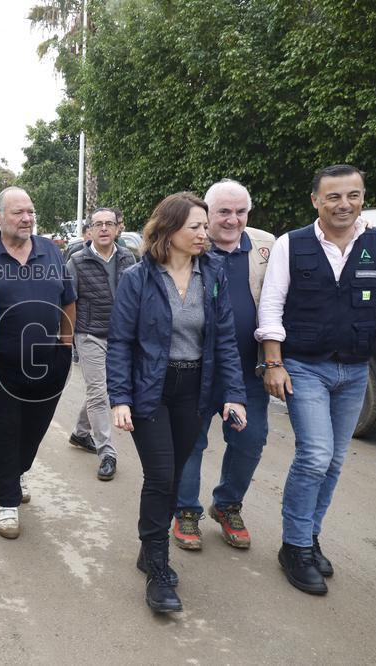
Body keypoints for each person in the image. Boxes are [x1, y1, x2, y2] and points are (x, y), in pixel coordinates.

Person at [257, 164, 376, 595]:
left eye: (353, 195)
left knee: (335, 462)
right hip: (304, 366)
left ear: (362, 197)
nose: (345, 205)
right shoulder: (291, 245)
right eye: (334, 197)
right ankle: (295, 546)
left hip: (354, 369)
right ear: (316, 200)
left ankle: (309, 536)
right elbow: (271, 305)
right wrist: (274, 363)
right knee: (316, 455)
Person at [108, 192, 247, 613]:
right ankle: (158, 570)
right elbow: (120, 343)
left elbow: (224, 340)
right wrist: (120, 398)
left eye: (206, 226)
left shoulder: (214, 274)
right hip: (152, 389)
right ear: (168, 231)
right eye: (196, 227)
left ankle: (147, 548)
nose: (205, 234)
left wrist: (234, 396)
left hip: (195, 391)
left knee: (174, 475)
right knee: (161, 475)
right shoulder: (138, 278)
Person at [172, 180, 275, 551]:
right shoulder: (189, 245)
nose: (233, 220)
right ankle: (186, 511)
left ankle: (228, 504)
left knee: (250, 439)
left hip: (248, 370)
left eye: (241, 212)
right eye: (224, 212)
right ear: (207, 214)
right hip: (195, 368)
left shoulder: (268, 246)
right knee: (190, 442)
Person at [0, 187, 73, 539]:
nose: (27, 218)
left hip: (48, 362)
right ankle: (7, 501)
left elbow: (69, 300)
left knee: (35, 428)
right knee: (2, 431)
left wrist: (65, 347)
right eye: (18, 212)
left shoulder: (51, 251)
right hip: (0, 365)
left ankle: (18, 470)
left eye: (30, 212)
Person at [67, 207, 135, 481]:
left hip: (122, 337)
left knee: (102, 389)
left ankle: (81, 433)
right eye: (98, 224)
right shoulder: (76, 261)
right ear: (90, 230)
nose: (104, 228)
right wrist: (68, 339)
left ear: (118, 227)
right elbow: (68, 301)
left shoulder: (129, 257)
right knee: (99, 391)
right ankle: (107, 453)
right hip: (89, 334)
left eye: (109, 223)